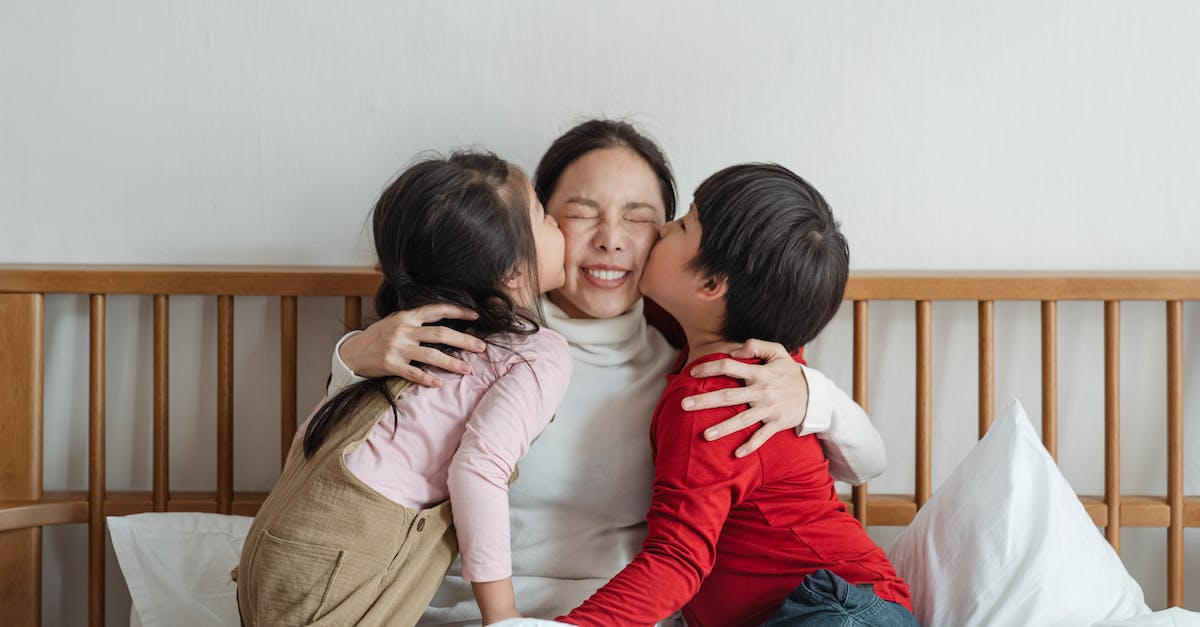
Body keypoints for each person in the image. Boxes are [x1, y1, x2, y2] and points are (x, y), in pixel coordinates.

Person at [329, 120, 887, 625]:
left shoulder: (714, 370)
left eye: (642, 219)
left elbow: (856, 465)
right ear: (534, 226)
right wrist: (351, 360)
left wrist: (816, 393)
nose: (611, 238)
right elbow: (345, 470)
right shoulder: (470, 341)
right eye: (581, 213)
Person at [559, 164, 915, 627]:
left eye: (683, 224)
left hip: (838, 611)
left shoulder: (717, 401)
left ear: (710, 286)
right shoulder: (748, 344)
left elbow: (675, 560)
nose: (663, 230)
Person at [236, 152, 572, 626]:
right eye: (543, 214)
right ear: (512, 273)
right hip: (340, 563)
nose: (560, 224)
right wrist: (503, 614)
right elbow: (478, 470)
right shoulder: (538, 352)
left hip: (274, 548)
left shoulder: (414, 334)